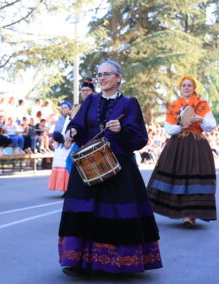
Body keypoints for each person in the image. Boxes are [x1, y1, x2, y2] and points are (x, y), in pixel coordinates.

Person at [59, 60, 162, 276]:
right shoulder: (90, 101)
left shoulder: (130, 103)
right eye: (99, 74)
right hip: (88, 164)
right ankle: (78, 261)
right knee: (82, 212)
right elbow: (78, 123)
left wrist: (122, 129)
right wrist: (74, 132)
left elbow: (140, 138)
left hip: (119, 166)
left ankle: (122, 261)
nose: (102, 78)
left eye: (107, 74)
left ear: (118, 78)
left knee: (117, 213)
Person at [147, 75, 217, 227]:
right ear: (180, 88)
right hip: (177, 145)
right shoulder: (174, 105)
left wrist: (201, 120)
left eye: (189, 85)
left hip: (197, 145)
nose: (186, 88)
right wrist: (182, 126)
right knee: (177, 177)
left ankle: (191, 215)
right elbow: (168, 128)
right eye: (183, 85)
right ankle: (179, 211)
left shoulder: (202, 104)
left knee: (194, 177)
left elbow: (212, 125)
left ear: (194, 88)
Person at [48, 101, 72, 192]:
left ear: (70, 109)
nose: (64, 109)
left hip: (70, 144)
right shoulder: (59, 120)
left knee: (67, 166)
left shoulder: (73, 118)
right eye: (62, 108)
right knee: (60, 165)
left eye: (66, 107)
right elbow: (56, 132)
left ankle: (68, 188)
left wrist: (69, 140)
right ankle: (62, 188)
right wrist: (62, 141)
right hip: (61, 145)